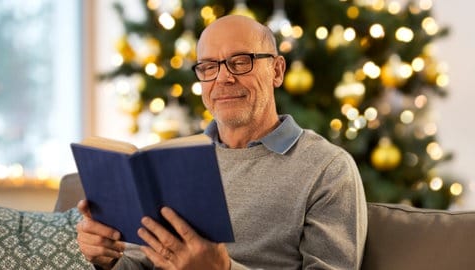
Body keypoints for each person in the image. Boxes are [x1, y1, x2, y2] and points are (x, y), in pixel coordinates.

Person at [76, 15, 367, 270]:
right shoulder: (177, 162)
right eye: (208, 66)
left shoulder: (327, 169)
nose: (223, 78)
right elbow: (144, 262)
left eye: (241, 62)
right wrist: (110, 259)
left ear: (276, 71)